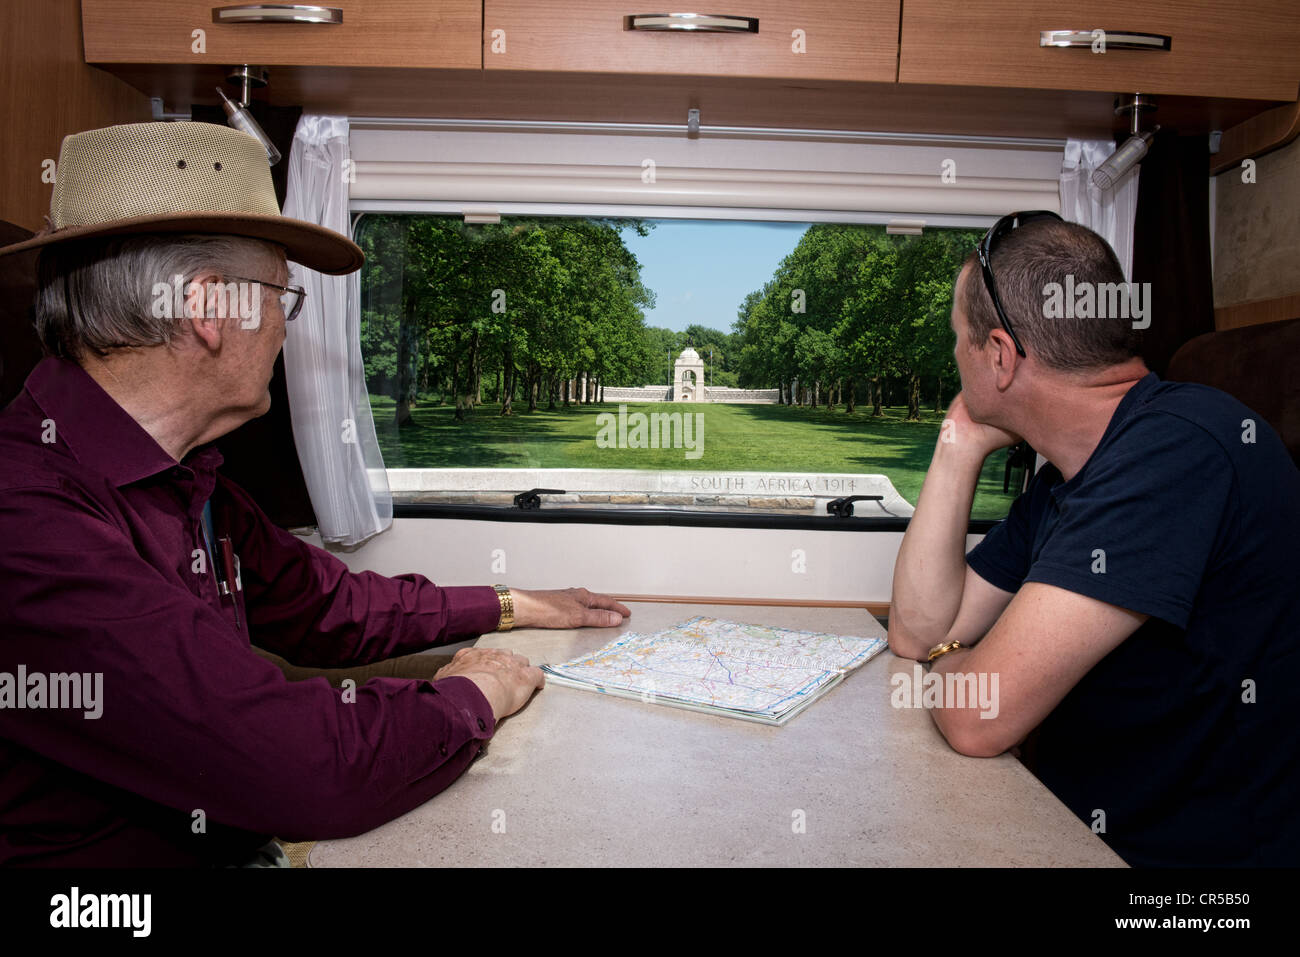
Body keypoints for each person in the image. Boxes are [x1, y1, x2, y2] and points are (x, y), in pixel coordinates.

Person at [0, 121, 629, 866]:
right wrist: (475, 695)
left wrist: (512, 604)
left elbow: (330, 608)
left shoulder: (190, 481)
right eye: (281, 297)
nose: (285, 328)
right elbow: (300, 766)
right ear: (209, 310)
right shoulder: (26, 519)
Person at [887, 211, 1300, 866]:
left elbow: (976, 714)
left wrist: (951, 662)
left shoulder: (1178, 451)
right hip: (1070, 829)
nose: (953, 355)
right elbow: (917, 628)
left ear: (999, 355)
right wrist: (958, 442)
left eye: (959, 340)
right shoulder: (1068, 478)